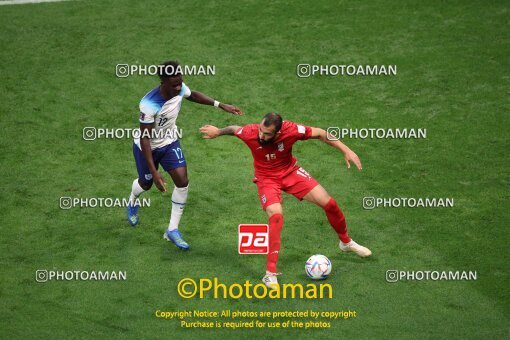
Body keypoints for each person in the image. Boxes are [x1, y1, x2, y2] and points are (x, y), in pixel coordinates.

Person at [199, 113, 371, 288]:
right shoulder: (251, 132)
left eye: (267, 134)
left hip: (290, 172)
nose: (261, 136)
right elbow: (234, 129)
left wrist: (346, 150)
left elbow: (320, 133)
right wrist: (218, 131)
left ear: (278, 133)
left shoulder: (291, 130)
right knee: (276, 216)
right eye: (260, 130)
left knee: (329, 203)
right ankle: (270, 273)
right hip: (266, 179)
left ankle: (346, 242)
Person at [127, 60, 243, 250]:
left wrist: (220, 105)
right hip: (146, 147)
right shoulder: (149, 104)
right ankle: (132, 201)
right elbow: (145, 138)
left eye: (180, 82)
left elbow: (193, 95)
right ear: (162, 82)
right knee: (146, 183)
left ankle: (172, 230)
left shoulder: (177, 88)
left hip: (170, 142)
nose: (179, 87)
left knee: (182, 181)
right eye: (174, 84)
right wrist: (154, 172)